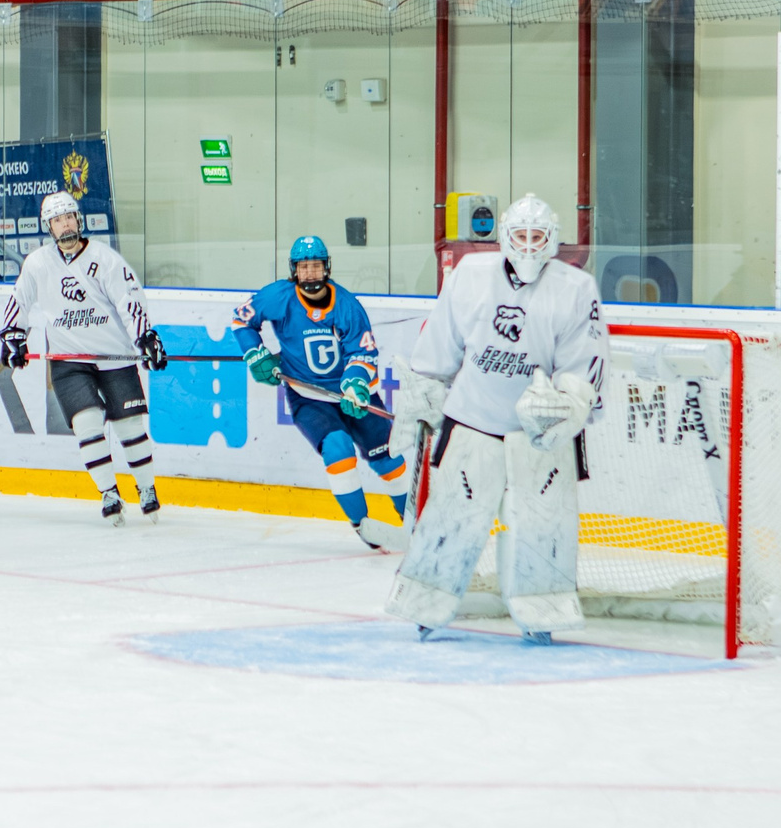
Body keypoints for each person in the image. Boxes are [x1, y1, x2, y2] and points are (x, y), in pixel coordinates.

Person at [386, 194, 607, 644]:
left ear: (553, 240)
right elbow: (442, 342)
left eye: (538, 237)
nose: (528, 246)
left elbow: (585, 360)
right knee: (451, 518)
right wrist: (425, 391)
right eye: (521, 236)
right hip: (472, 419)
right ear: (506, 237)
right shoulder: (470, 275)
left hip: (540, 433)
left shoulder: (576, 287)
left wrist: (567, 401)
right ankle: (426, 602)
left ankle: (542, 611)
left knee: (544, 524)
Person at [0, 189, 167, 525]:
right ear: (49, 226)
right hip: (68, 359)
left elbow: (130, 301)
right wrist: (14, 337)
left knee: (129, 424)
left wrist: (145, 336)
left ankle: (146, 488)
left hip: (114, 356)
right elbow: (20, 301)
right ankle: (109, 493)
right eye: (57, 220)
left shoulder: (105, 259)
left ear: (79, 218)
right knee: (86, 423)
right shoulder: (38, 264)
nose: (65, 225)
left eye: (69, 217)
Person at [233, 233, 411, 549]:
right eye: (304, 268)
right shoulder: (278, 297)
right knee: (338, 449)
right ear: (294, 271)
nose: (310, 274)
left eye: (316, 266)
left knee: (388, 462)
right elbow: (242, 319)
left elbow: (363, 351)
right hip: (310, 397)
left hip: (356, 395)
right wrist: (255, 352)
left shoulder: (347, 305)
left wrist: (356, 382)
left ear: (326, 268)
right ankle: (363, 525)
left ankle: (417, 524)